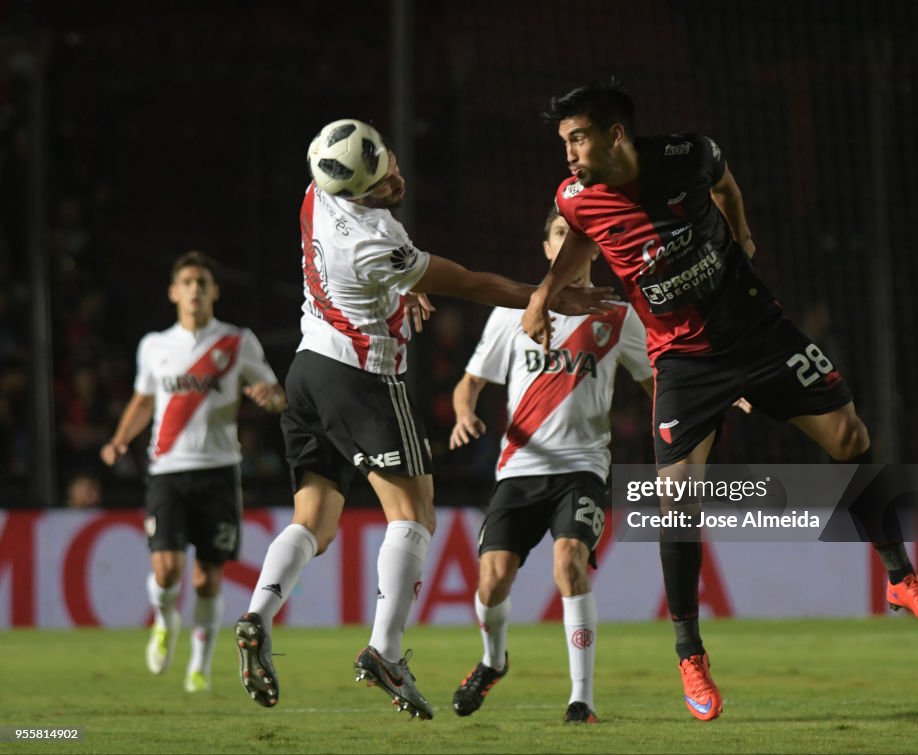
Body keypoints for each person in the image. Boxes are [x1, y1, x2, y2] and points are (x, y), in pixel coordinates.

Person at [521, 81, 918, 722]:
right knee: (675, 501)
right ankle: (690, 655)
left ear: (615, 135)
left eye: (578, 138)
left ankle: (899, 576)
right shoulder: (576, 199)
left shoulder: (687, 154)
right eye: (564, 142)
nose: (569, 154)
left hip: (757, 332)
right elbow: (581, 238)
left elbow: (727, 188)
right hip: (684, 361)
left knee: (850, 438)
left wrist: (742, 236)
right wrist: (542, 293)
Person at [233, 119, 616, 719]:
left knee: (315, 519)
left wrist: (398, 287)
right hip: (361, 377)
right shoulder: (377, 239)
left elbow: (372, 265)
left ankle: (258, 613)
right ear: (363, 189)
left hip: (306, 371)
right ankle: (384, 650)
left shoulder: (316, 193)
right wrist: (547, 295)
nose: (396, 175)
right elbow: (469, 282)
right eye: (384, 174)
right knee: (412, 515)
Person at [449, 208, 654, 724]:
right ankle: (494, 661)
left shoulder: (618, 314)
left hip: (582, 469)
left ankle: (580, 699)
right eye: (561, 236)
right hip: (518, 470)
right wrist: (463, 413)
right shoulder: (511, 312)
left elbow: (654, 382)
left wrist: (690, 413)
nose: (569, 247)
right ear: (546, 249)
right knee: (491, 582)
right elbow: (470, 382)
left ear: (595, 250)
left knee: (569, 563)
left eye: (580, 239)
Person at [101, 250, 286, 693]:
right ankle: (165, 621)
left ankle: (199, 665)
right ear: (173, 292)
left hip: (219, 471)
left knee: (206, 577)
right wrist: (120, 439)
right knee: (166, 571)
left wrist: (270, 397)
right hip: (167, 470)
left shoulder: (238, 342)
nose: (195, 290)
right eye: (187, 282)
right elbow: (144, 400)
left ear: (214, 292)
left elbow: (276, 394)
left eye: (203, 282)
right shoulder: (155, 346)